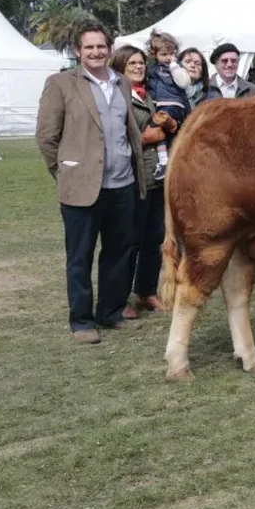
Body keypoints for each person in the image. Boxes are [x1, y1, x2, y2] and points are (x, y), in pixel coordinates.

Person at [35, 22, 147, 344]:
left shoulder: (122, 82)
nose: (96, 52)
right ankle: (82, 321)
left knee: (119, 253)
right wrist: (66, 173)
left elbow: (129, 131)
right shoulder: (60, 83)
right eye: (89, 47)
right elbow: (46, 136)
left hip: (122, 185)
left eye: (101, 47)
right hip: (81, 189)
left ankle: (111, 313)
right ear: (77, 51)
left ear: (110, 49)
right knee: (80, 257)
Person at [109, 46, 172, 319]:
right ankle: (119, 298)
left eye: (141, 63)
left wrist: (166, 126)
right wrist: (148, 137)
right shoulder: (116, 97)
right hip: (132, 178)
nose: (138, 67)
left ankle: (146, 291)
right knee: (128, 241)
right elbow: (118, 135)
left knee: (154, 238)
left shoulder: (147, 95)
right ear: (121, 67)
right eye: (132, 63)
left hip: (154, 178)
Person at [144, 30, 192, 180]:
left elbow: (184, 82)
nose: (168, 58)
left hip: (174, 104)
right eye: (163, 55)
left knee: (155, 127)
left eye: (170, 53)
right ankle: (167, 161)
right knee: (162, 134)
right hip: (160, 105)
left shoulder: (177, 68)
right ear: (155, 55)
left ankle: (165, 162)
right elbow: (151, 86)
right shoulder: (153, 69)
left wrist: (174, 67)